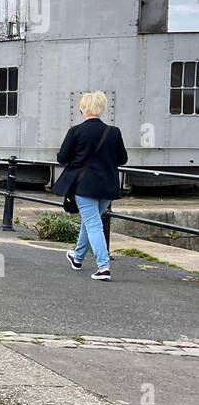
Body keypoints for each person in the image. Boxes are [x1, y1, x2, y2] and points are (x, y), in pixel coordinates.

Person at [52, 90, 128, 282]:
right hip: (108, 186)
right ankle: (77, 258)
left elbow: (62, 158)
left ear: (83, 108)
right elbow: (123, 159)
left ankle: (103, 267)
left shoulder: (76, 131)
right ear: (101, 109)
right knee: (91, 222)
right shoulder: (114, 132)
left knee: (93, 224)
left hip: (84, 185)